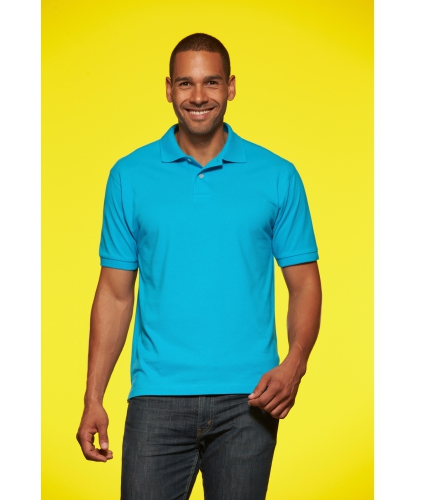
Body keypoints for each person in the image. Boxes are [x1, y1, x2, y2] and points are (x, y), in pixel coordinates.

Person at [76, 33, 322, 500]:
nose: (198, 96)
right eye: (186, 83)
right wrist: (93, 397)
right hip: (156, 398)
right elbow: (114, 294)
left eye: (211, 82)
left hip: (249, 401)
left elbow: (305, 285)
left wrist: (294, 364)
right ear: (168, 89)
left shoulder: (277, 175)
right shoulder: (129, 175)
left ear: (231, 87)